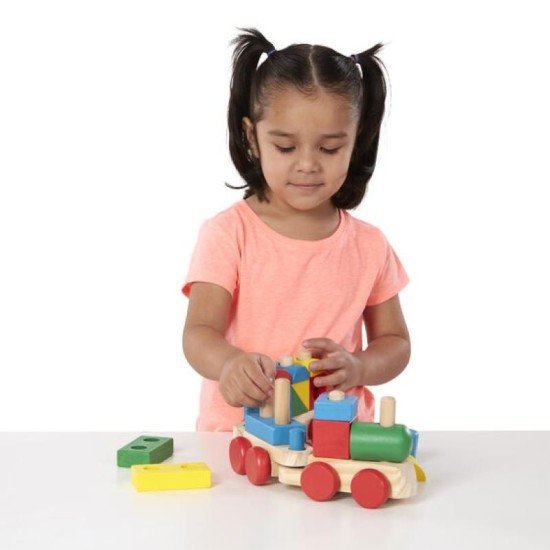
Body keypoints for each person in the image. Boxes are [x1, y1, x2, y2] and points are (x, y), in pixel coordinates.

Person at [181, 27, 411, 432]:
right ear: (253, 138)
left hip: (339, 437)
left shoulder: (370, 245)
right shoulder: (228, 234)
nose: (307, 164)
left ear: (357, 142)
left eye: (328, 148)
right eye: (285, 147)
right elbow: (199, 333)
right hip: (242, 434)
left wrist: (359, 366)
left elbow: (396, 343)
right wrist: (229, 363)